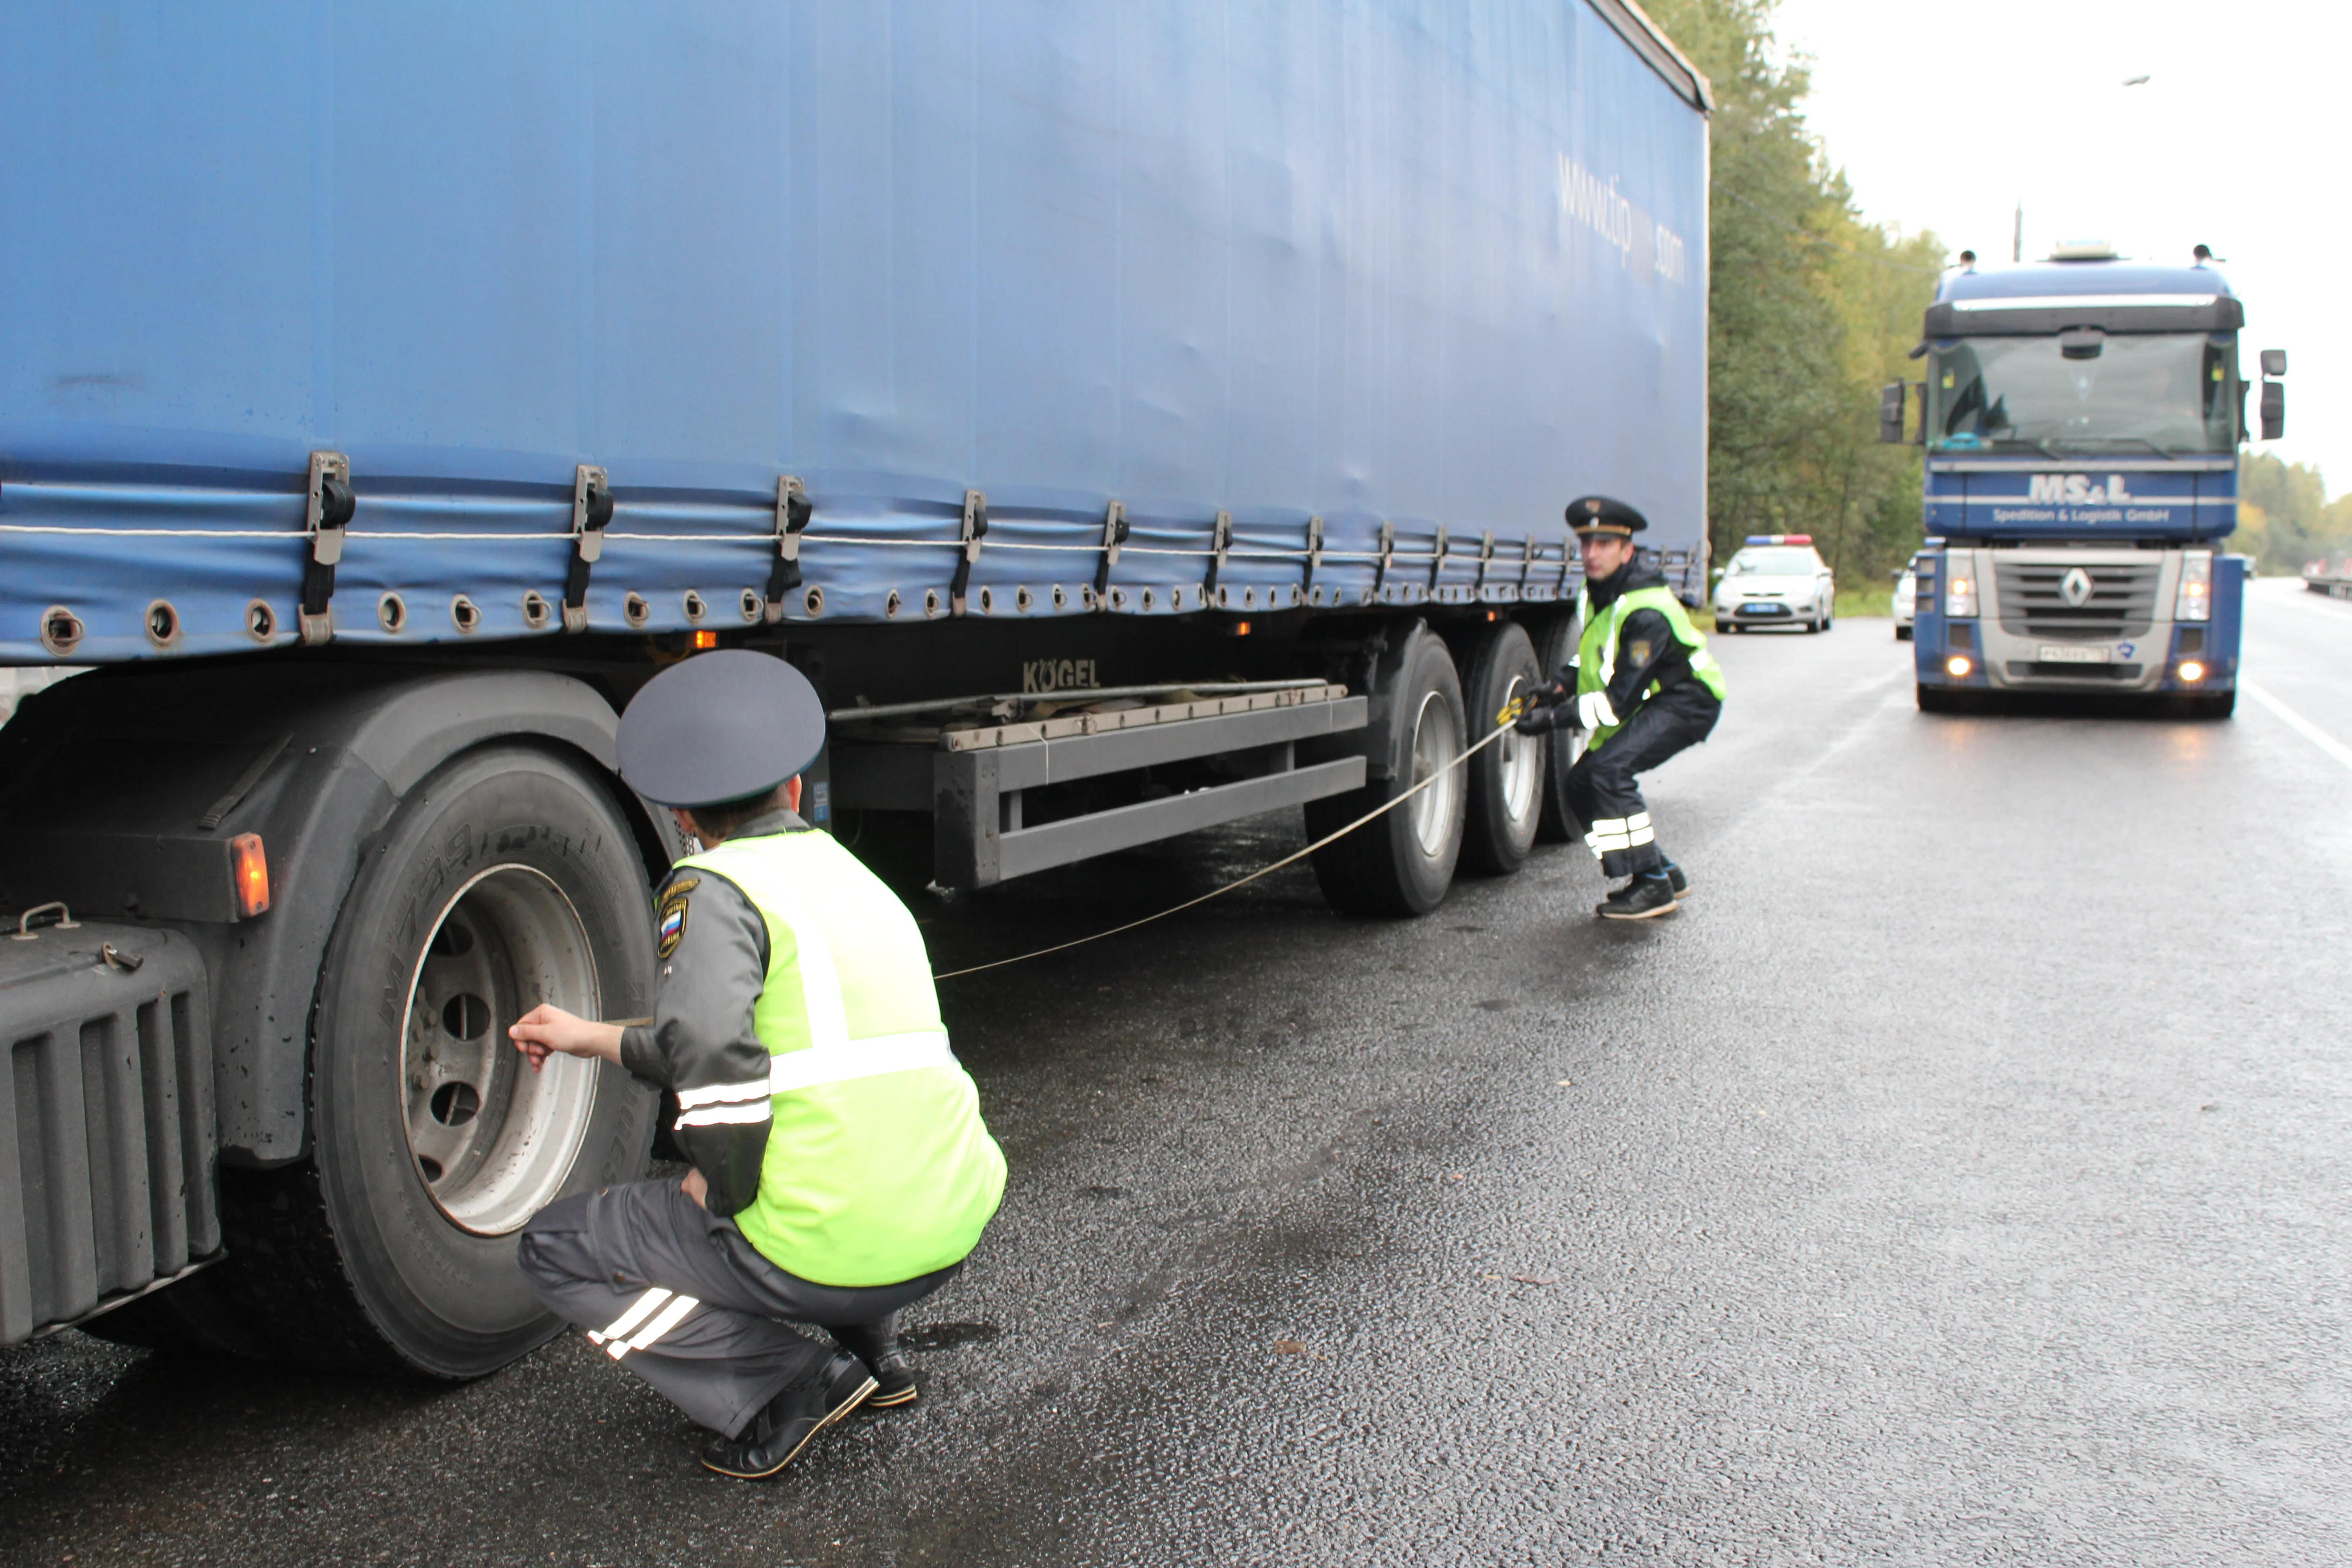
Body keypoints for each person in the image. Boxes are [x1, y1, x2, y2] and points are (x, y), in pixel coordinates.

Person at [507, 650, 1006, 1480]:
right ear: (795, 793)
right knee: (836, 1130)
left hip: (825, 1249)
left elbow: (709, 1053)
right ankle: (877, 1358)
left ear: (683, 820)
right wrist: (586, 1035)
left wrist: (722, 1191)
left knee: (557, 1246)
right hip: (946, 1224)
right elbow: (802, 1048)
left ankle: (787, 1384)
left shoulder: (711, 884)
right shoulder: (856, 881)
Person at [1515, 495, 1726, 920]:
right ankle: (1661, 870)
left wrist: (1554, 720)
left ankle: (1651, 884)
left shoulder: (1645, 610)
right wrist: (1557, 686)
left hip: (1690, 701)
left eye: (1604, 545)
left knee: (1608, 773)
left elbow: (1618, 702)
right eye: (1586, 544)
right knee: (1580, 784)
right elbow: (1596, 655)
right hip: (1657, 698)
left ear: (1626, 551)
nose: (1592, 554)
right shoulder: (1602, 592)